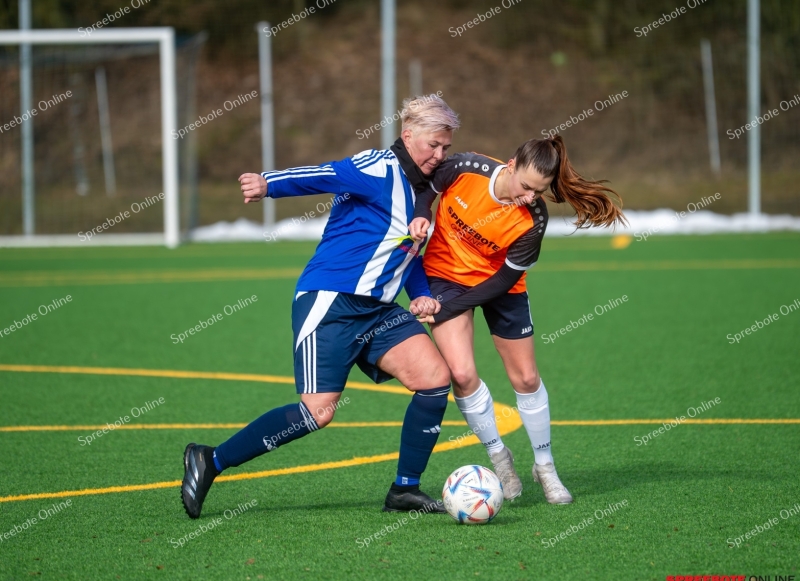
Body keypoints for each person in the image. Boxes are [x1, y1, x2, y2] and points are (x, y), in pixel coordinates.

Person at [181, 95, 460, 519]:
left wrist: (419, 292)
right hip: (331, 301)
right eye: (432, 145)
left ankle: (405, 489)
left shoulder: (425, 191)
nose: (439, 155)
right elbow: (325, 174)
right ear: (407, 136)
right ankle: (210, 459)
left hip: (379, 310)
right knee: (317, 412)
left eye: (446, 147)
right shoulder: (378, 168)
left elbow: (407, 252)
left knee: (435, 380)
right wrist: (269, 183)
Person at [408, 135, 625, 504]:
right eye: (525, 186)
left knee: (525, 377)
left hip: (499, 285)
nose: (529, 197)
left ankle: (545, 466)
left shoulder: (534, 219)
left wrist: (446, 309)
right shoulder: (465, 168)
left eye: (538, 191)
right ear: (510, 165)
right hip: (445, 274)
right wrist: (421, 213)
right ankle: (499, 458)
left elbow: (504, 280)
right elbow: (428, 189)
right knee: (461, 374)